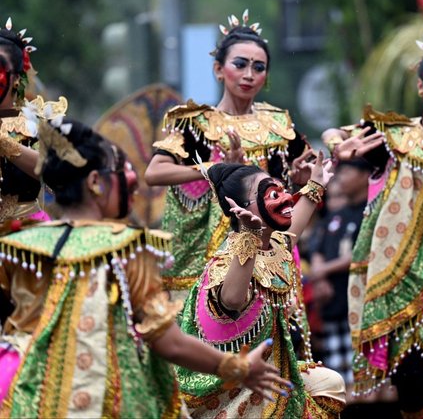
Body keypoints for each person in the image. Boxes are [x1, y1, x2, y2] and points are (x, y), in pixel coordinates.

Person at [0, 117, 291, 418]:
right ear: (96, 183)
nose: (132, 182)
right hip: (108, 404)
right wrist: (238, 367)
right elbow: (169, 343)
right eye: (119, 172)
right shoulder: (125, 248)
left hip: (29, 403)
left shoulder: (21, 248)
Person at [324, 25, 423, 418]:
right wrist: (341, 145)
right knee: (410, 373)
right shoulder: (397, 137)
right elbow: (336, 134)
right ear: (421, 84)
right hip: (407, 267)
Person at [144, 10, 311, 306]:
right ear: (219, 69)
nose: (249, 75)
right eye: (240, 64)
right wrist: (216, 169)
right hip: (215, 245)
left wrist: (300, 181)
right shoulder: (197, 124)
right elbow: (155, 172)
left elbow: (303, 182)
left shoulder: (280, 125)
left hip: (272, 244)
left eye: (259, 67)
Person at [176, 154, 347, 418]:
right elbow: (232, 300)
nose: (286, 198)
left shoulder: (275, 245)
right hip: (228, 387)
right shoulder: (228, 261)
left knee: (330, 383)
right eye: (271, 194)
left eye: (281, 190)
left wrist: (316, 184)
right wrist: (249, 233)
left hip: (269, 371)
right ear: (242, 208)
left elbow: (294, 228)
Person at [308, 159, 372, 390]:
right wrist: (321, 276)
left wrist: (322, 271)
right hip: (333, 304)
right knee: (338, 379)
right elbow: (317, 247)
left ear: (366, 174)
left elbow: (363, 253)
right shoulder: (336, 215)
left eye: (347, 171)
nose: (341, 177)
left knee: (366, 380)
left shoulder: (372, 211)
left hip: (363, 306)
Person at [0, 16, 67, 223]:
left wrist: (4, 143)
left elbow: (57, 172)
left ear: (17, 77)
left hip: (26, 236)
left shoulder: (36, 123)